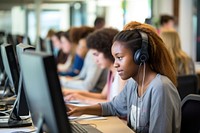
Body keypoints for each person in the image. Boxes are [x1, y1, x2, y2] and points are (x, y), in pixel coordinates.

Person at [67, 21, 181, 133]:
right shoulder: (133, 83)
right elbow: (113, 107)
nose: (115, 63)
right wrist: (81, 110)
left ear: (140, 56)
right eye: (114, 58)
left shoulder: (160, 88)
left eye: (120, 57)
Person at [63, 28, 126, 104]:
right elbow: (103, 96)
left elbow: (117, 106)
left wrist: (83, 99)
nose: (95, 60)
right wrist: (74, 94)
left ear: (108, 51)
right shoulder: (111, 72)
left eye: (97, 55)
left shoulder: (121, 74)